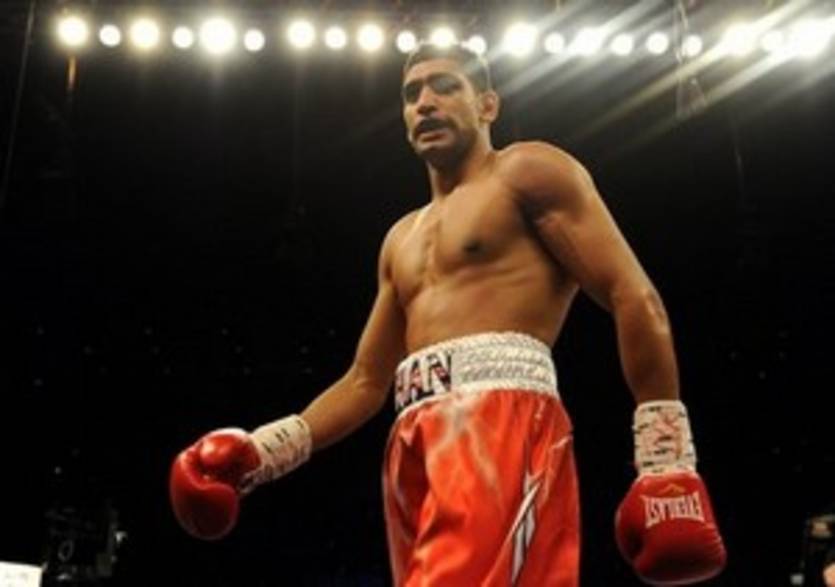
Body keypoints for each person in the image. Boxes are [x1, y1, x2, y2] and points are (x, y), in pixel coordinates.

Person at [169, 42, 726, 586]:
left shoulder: (527, 171)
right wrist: (262, 451)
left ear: (487, 105)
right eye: (412, 94)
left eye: (444, 87)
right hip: (412, 438)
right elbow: (365, 381)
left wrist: (665, 460)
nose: (426, 103)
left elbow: (633, 294)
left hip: (501, 420)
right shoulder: (400, 238)